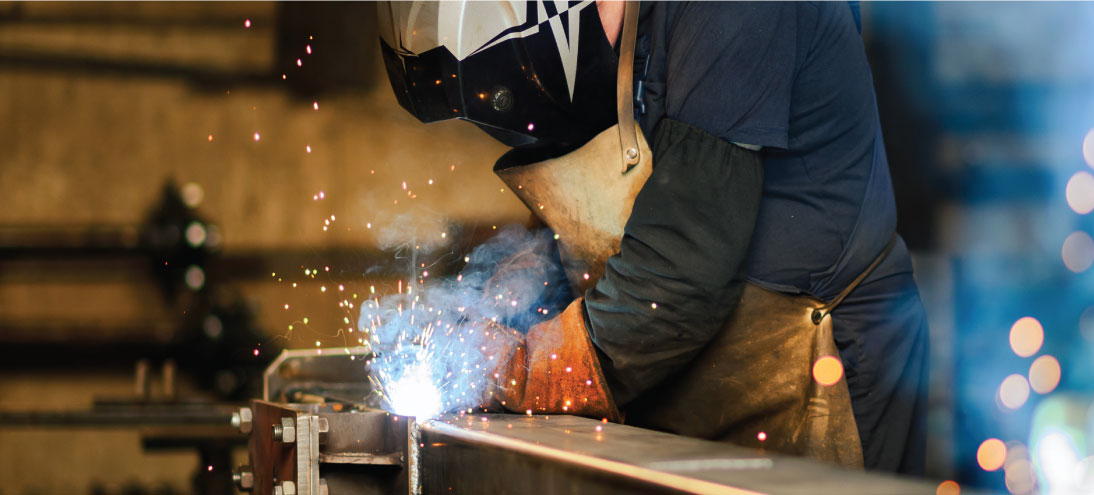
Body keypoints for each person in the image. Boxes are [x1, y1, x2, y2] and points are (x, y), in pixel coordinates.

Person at [378, 0, 929, 475]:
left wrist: (524, 370)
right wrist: (522, 285)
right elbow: (629, 192)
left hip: (817, 373)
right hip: (692, 367)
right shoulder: (628, 27)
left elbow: (682, 265)